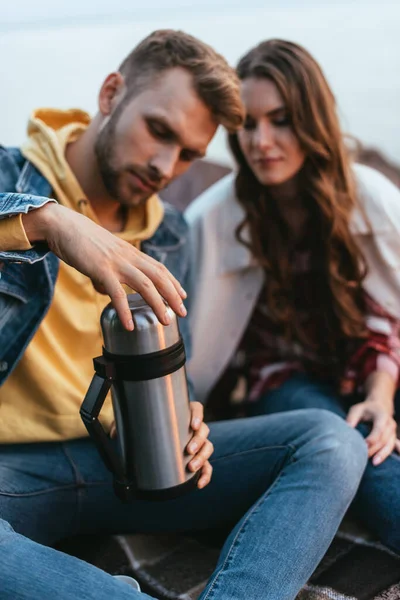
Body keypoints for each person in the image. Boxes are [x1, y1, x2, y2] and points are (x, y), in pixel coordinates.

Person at [0, 30, 367, 600]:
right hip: (9, 475)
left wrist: (185, 419)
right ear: (111, 93)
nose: (165, 165)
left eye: (191, 153)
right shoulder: (9, 179)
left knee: (330, 440)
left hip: (123, 465)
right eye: (159, 130)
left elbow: (172, 367)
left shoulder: (170, 233)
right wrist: (50, 223)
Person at [186, 38, 400, 555]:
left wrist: (381, 395)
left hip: (366, 367)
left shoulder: (369, 197)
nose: (261, 141)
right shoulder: (211, 219)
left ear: (311, 120)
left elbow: (386, 317)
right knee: (360, 453)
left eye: (280, 120)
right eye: (248, 123)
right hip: (282, 380)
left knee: (374, 428)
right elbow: (202, 348)